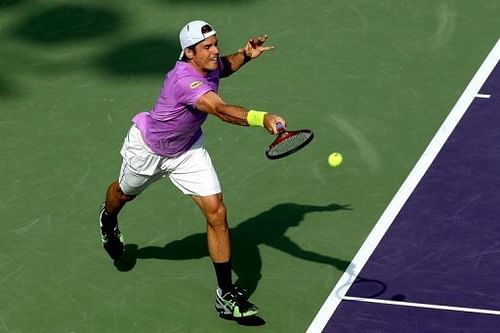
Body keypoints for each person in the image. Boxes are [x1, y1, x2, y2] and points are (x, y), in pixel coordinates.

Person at [98, 20, 286, 319]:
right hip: (150, 151)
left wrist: (246, 55)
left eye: (215, 43)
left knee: (217, 212)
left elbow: (224, 65)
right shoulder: (185, 80)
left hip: (188, 150)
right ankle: (108, 219)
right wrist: (261, 118)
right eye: (207, 47)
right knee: (122, 194)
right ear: (188, 53)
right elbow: (222, 111)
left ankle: (225, 296)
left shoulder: (208, 64)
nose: (215, 51)